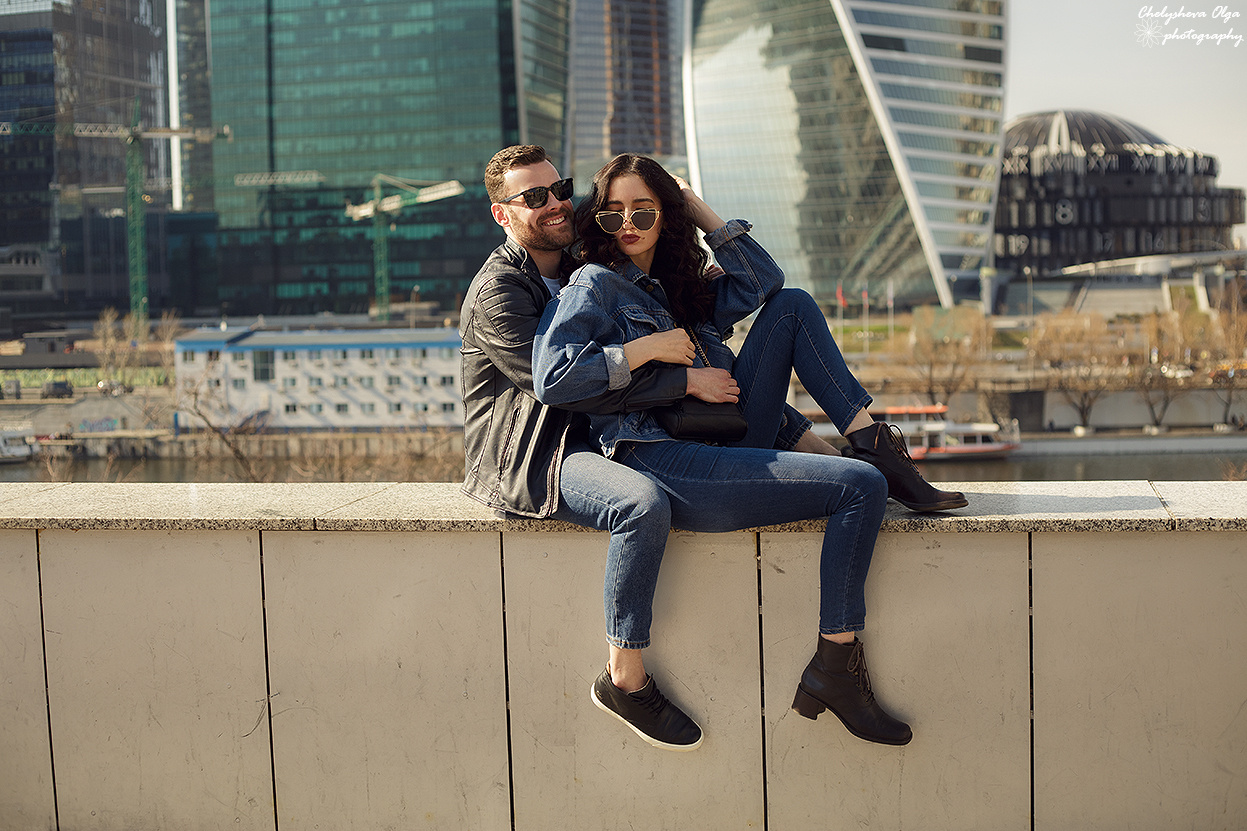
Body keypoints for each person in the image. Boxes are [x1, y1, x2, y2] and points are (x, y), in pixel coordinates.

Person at [534, 154, 965, 749]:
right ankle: (836, 665)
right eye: (611, 217)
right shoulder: (594, 285)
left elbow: (763, 280)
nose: (627, 225)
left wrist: (698, 208)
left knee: (794, 306)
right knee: (858, 487)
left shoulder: (680, 285)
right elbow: (555, 378)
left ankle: (875, 443)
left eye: (644, 211)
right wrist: (647, 350)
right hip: (666, 459)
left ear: (667, 215)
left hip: (725, 434)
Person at [460, 145, 703, 751]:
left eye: (559, 188)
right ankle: (625, 677)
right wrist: (677, 377)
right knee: (641, 505)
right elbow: (564, 389)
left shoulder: (578, 270)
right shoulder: (498, 293)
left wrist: (688, 206)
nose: (554, 204)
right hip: (531, 460)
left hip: (591, 441)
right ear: (502, 214)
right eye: (533, 197)